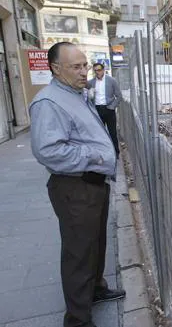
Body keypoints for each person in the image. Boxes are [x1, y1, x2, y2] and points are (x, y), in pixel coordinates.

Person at [29, 42, 125, 327]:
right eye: (76, 67)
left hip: (92, 184)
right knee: (79, 252)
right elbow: (48, 151)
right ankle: (77, 320)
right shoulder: (49, 102)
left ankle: (95, 290)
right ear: (56, 69)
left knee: (94, 242)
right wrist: (96, 156)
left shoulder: (76, 94)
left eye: (85, 65)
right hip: (75, 188)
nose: (85, 72)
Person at [88, 63, 121, 157]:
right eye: (95, 70)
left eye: (98, 70)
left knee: (112, 132)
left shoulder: (111, 80)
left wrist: (112, 107)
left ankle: (116, 152)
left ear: (103, 70)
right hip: (97, 110)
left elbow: (119, 96)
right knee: (99, 133)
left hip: (109, 109)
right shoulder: (91, 82)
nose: (97, 72)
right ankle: (103, 153)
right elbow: (83, 90)